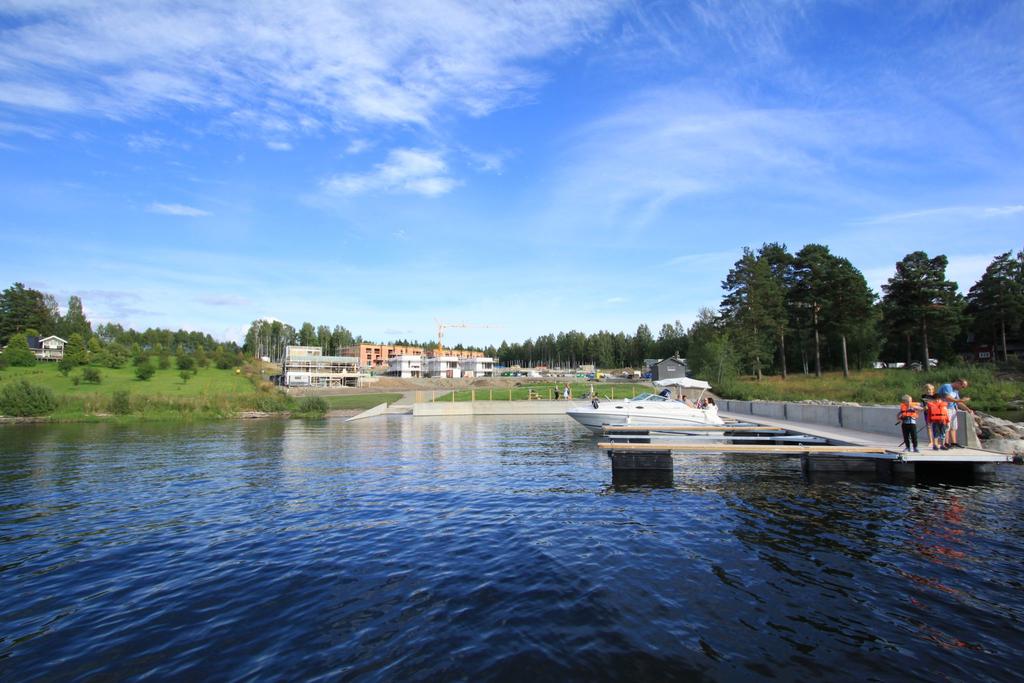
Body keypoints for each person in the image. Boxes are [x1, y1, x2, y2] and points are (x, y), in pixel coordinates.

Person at [936, 378, 971, 448]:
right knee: (947, 426)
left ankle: (953, 443)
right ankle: (945, 443)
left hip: (952, 409)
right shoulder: (947, 386)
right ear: (958, 382)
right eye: (962, 386)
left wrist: (967, 409)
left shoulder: (956, 391)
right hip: (944, 408)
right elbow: (947, 398)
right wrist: (961, 400)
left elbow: (958, 402)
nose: (962, 388)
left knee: (954, 426)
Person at [921, 383, 938, 449]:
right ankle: (930, 441)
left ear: (933, 390)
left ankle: (936, 441)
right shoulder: (924, 396)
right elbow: (926, 406)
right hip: (927, 413)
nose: (929, 391)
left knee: (936, 427)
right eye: (927, 389)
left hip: (935, 414)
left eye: (930, 389)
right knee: (929, 427)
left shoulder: (936, 396)